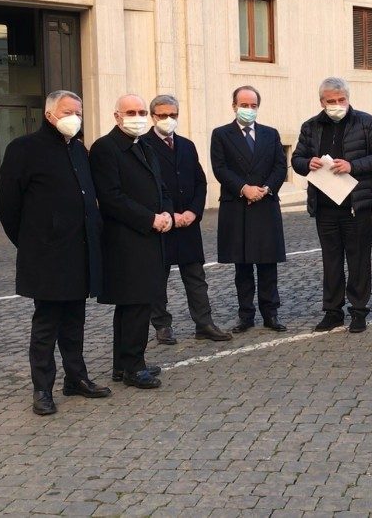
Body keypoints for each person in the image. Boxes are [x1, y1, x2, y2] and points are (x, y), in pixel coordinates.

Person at [0, 89, 111, 416]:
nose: (74, 117)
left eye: (78, 112)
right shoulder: (24, 149)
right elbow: (7, 205)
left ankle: (76, 378)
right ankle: (42, 389)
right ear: (49, 114)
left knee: (75, 319)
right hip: (46, 254)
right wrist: (31, 242)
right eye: (67, 111)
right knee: (46, 324)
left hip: (80, 251)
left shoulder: (79, 149)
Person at [291, 77, 372, 333]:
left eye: (341, 100)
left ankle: (358, 311)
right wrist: (307, 163)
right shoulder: (310, 127)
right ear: (322, 102)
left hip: (356, 204)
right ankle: (332, 311)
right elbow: (297, 159)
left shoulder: (366, 122)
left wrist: (352, 166)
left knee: (358, 260)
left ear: (348, 98)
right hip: (324, 205)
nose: (336, 105)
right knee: (331, 260)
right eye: (331, 101)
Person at [89, 94, 173, 389]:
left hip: (149, 237)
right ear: (117, 116)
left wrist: (167, 213)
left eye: (141, 111)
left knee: (137, 303)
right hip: (126, 240)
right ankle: (133, 367)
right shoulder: (105, 148)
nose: (137, 117)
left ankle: (124, 363)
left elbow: (161, 187)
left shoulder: (145, 145)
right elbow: (110, 197)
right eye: (130, 112)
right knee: (134, 304)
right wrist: (149, 219)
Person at [140, 95, 231, 344]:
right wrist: (170, 214)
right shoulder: (143, 145)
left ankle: (204, 323)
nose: (168, 119)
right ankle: (162, 325)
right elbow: (147, 187)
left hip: (188, 224)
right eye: (162, 115)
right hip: (162, 223)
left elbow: (200, 182)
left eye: (173, 115)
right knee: (158, 278)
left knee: (196, 277)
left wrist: (194, 211)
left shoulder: (187, 145)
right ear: (153, 116)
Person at [210, 86, 288, 334]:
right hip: (237, 205)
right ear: (234, 106)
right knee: (242, 265)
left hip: (265, 203)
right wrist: (244, 188)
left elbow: (280, 166)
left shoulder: (270, 134)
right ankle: (245, 315)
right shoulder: (221, 134)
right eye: (244, 105)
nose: (249, 109)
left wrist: (266, 188)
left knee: (268, 264)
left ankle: (271, 313)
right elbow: (220, 168)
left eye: (253, 106)